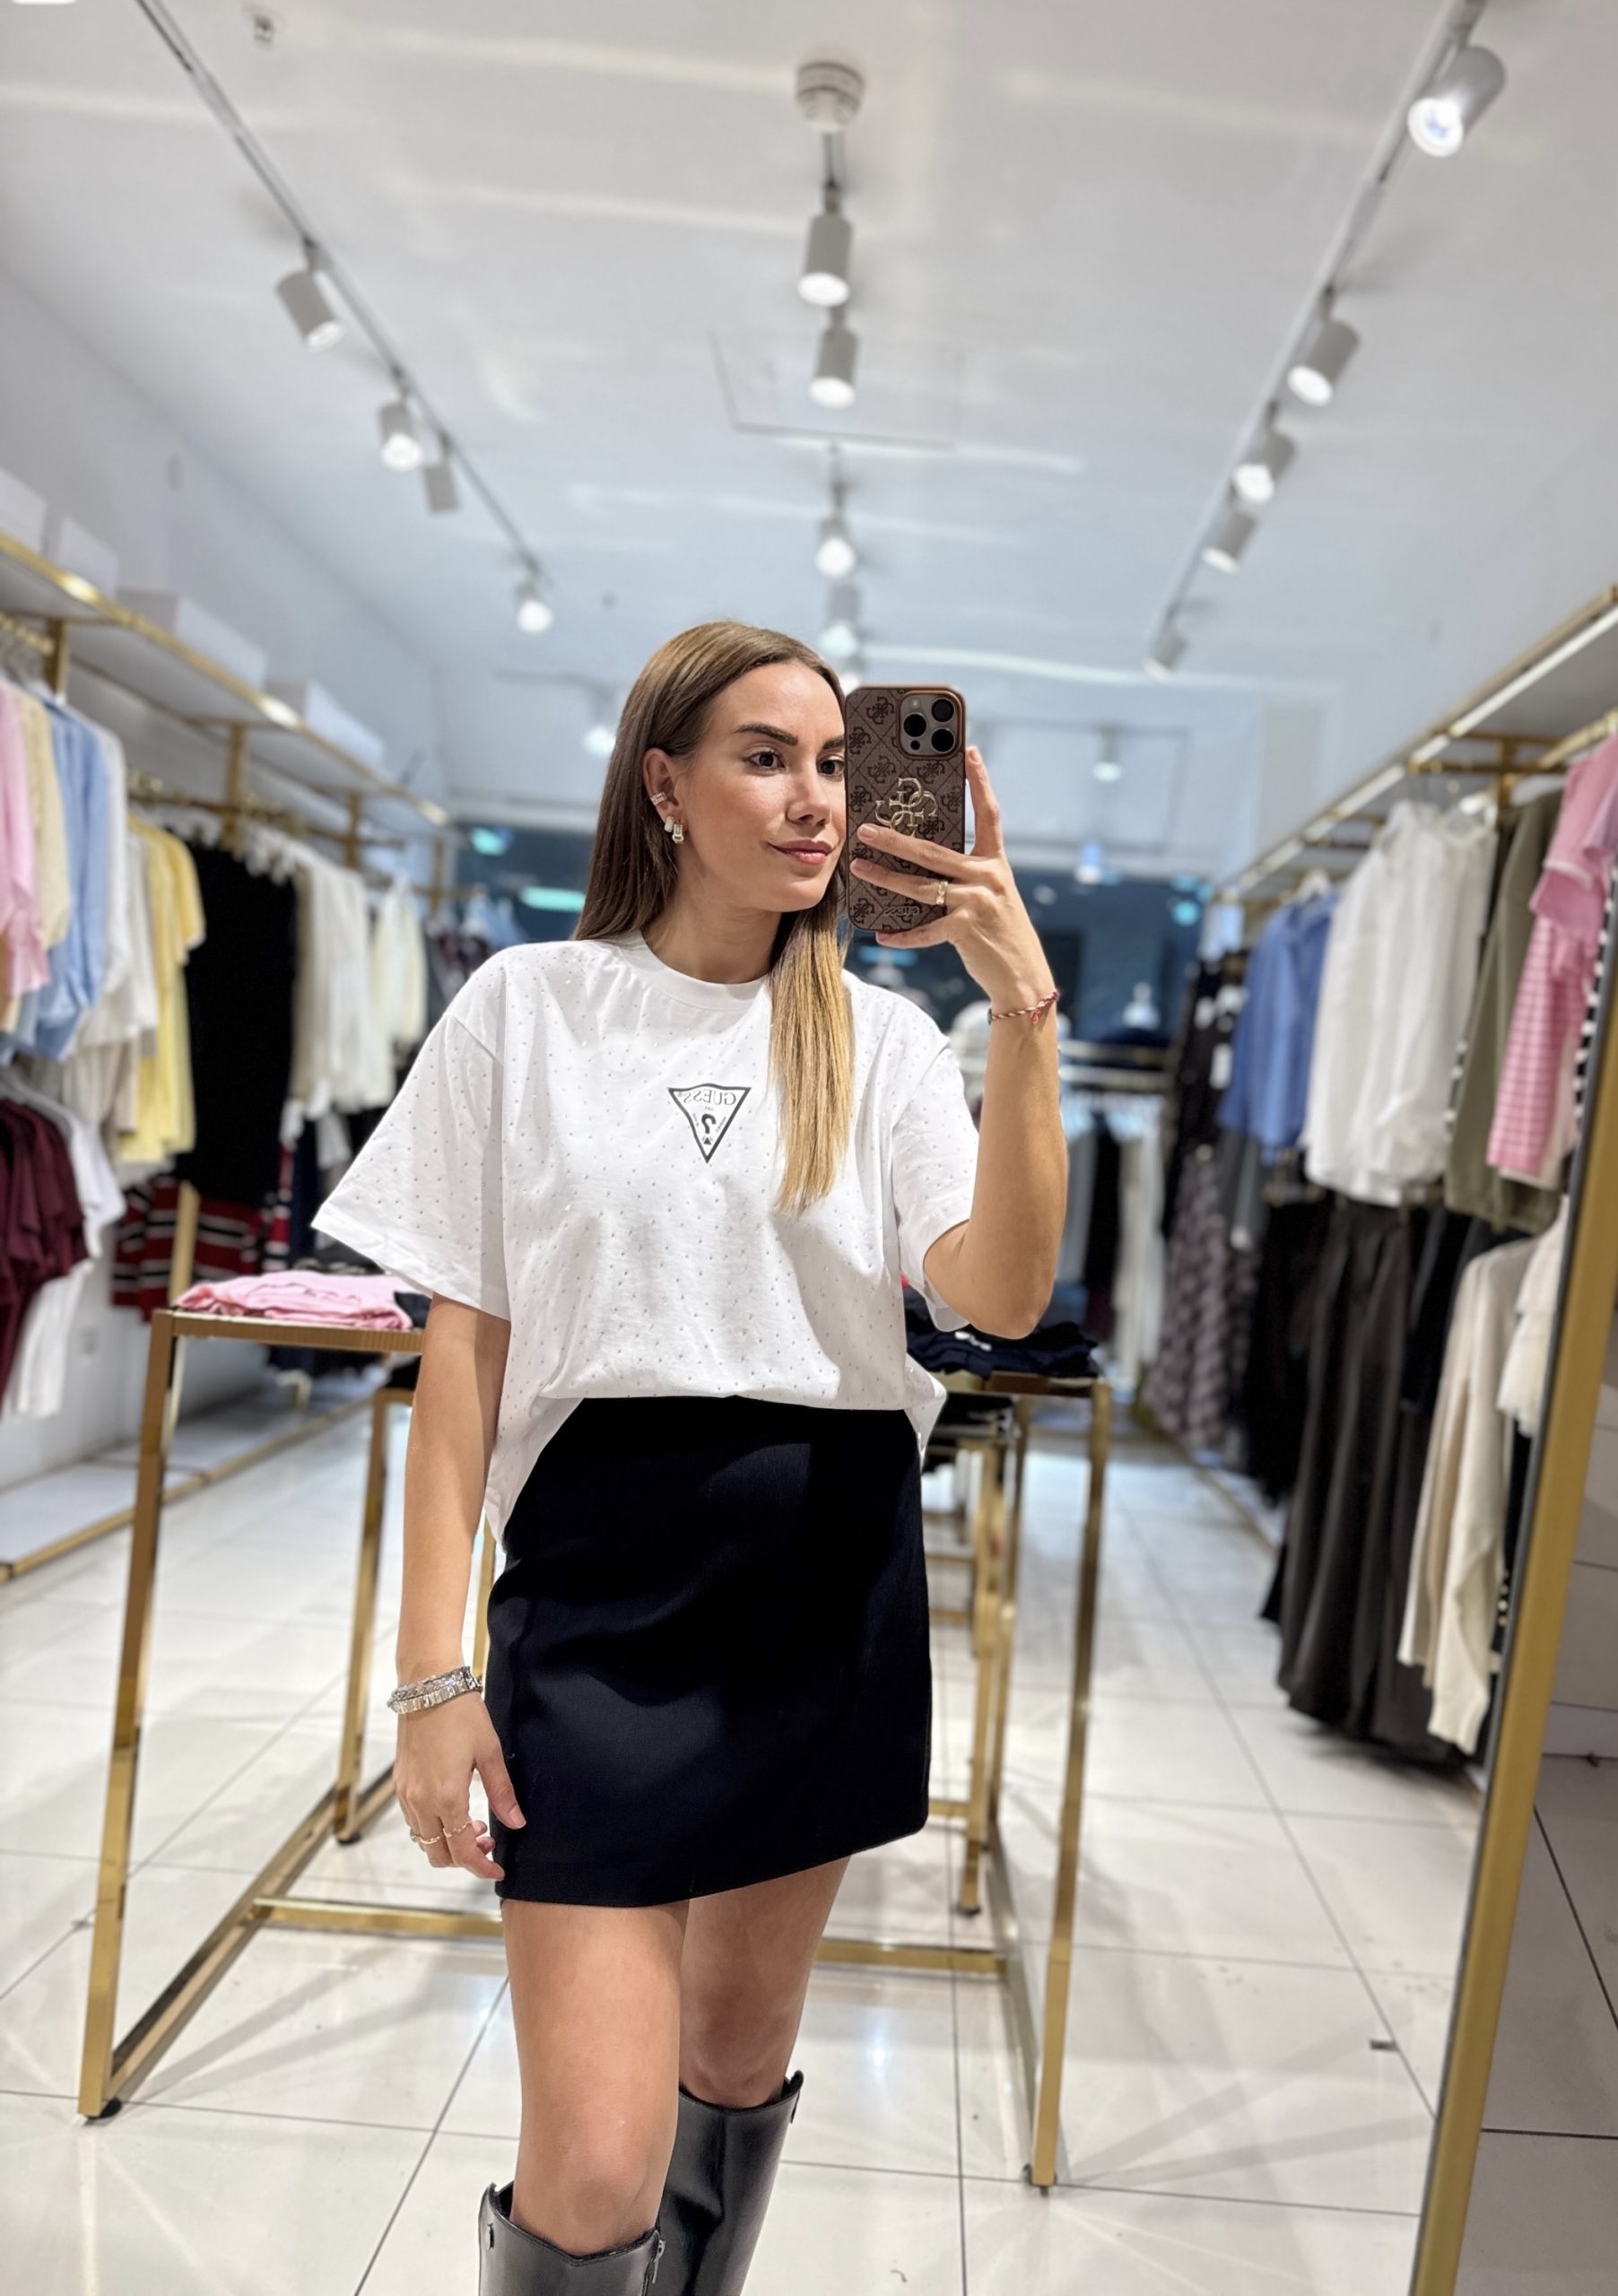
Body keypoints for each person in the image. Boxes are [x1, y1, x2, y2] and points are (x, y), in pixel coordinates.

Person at [313, 622, 1066, 2295]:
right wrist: (429, 1681)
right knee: (593, 2166)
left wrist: (1022, 1006)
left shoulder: (881, 1043)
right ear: (664, 783)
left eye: (836, 764)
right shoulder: (529, 1010)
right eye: (766, 757)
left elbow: (1003, 1294)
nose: (817, 801)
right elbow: (463, 1364)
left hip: (822, 1607)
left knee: (730, 2076)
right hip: (599, 1608)